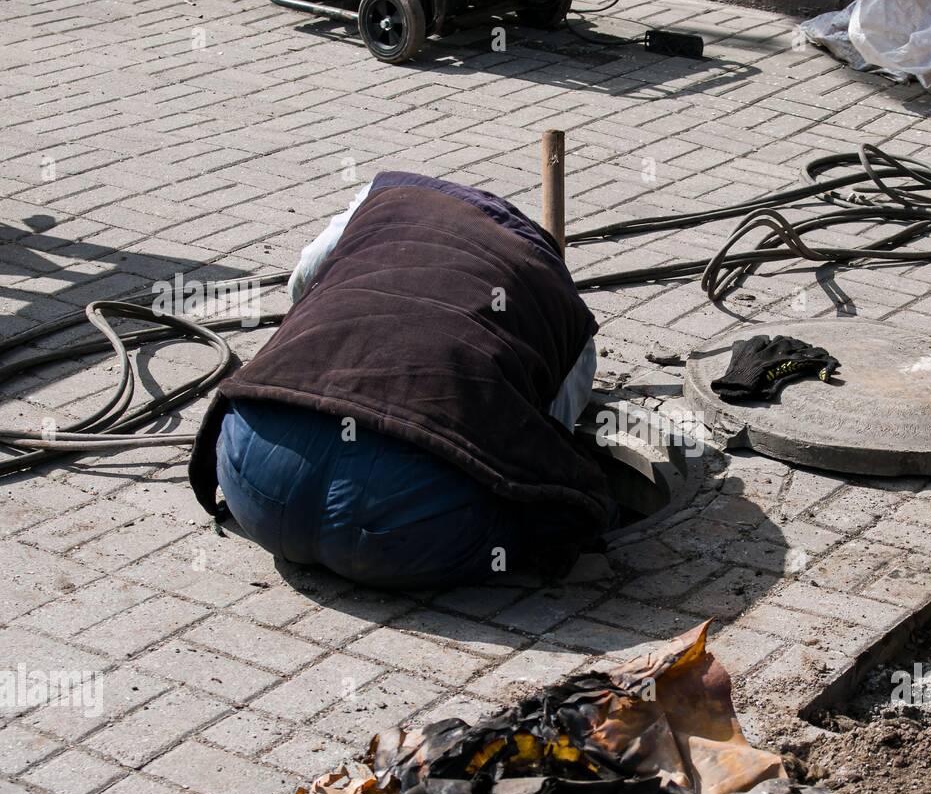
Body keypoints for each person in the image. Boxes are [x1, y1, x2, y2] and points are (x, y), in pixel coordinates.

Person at [188, 172, 613, 589]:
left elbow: (301, 284)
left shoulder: (380, 198)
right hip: (406, 529)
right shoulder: (566, 313)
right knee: (542, 511)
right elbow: (548, 439)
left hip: (255, 479)